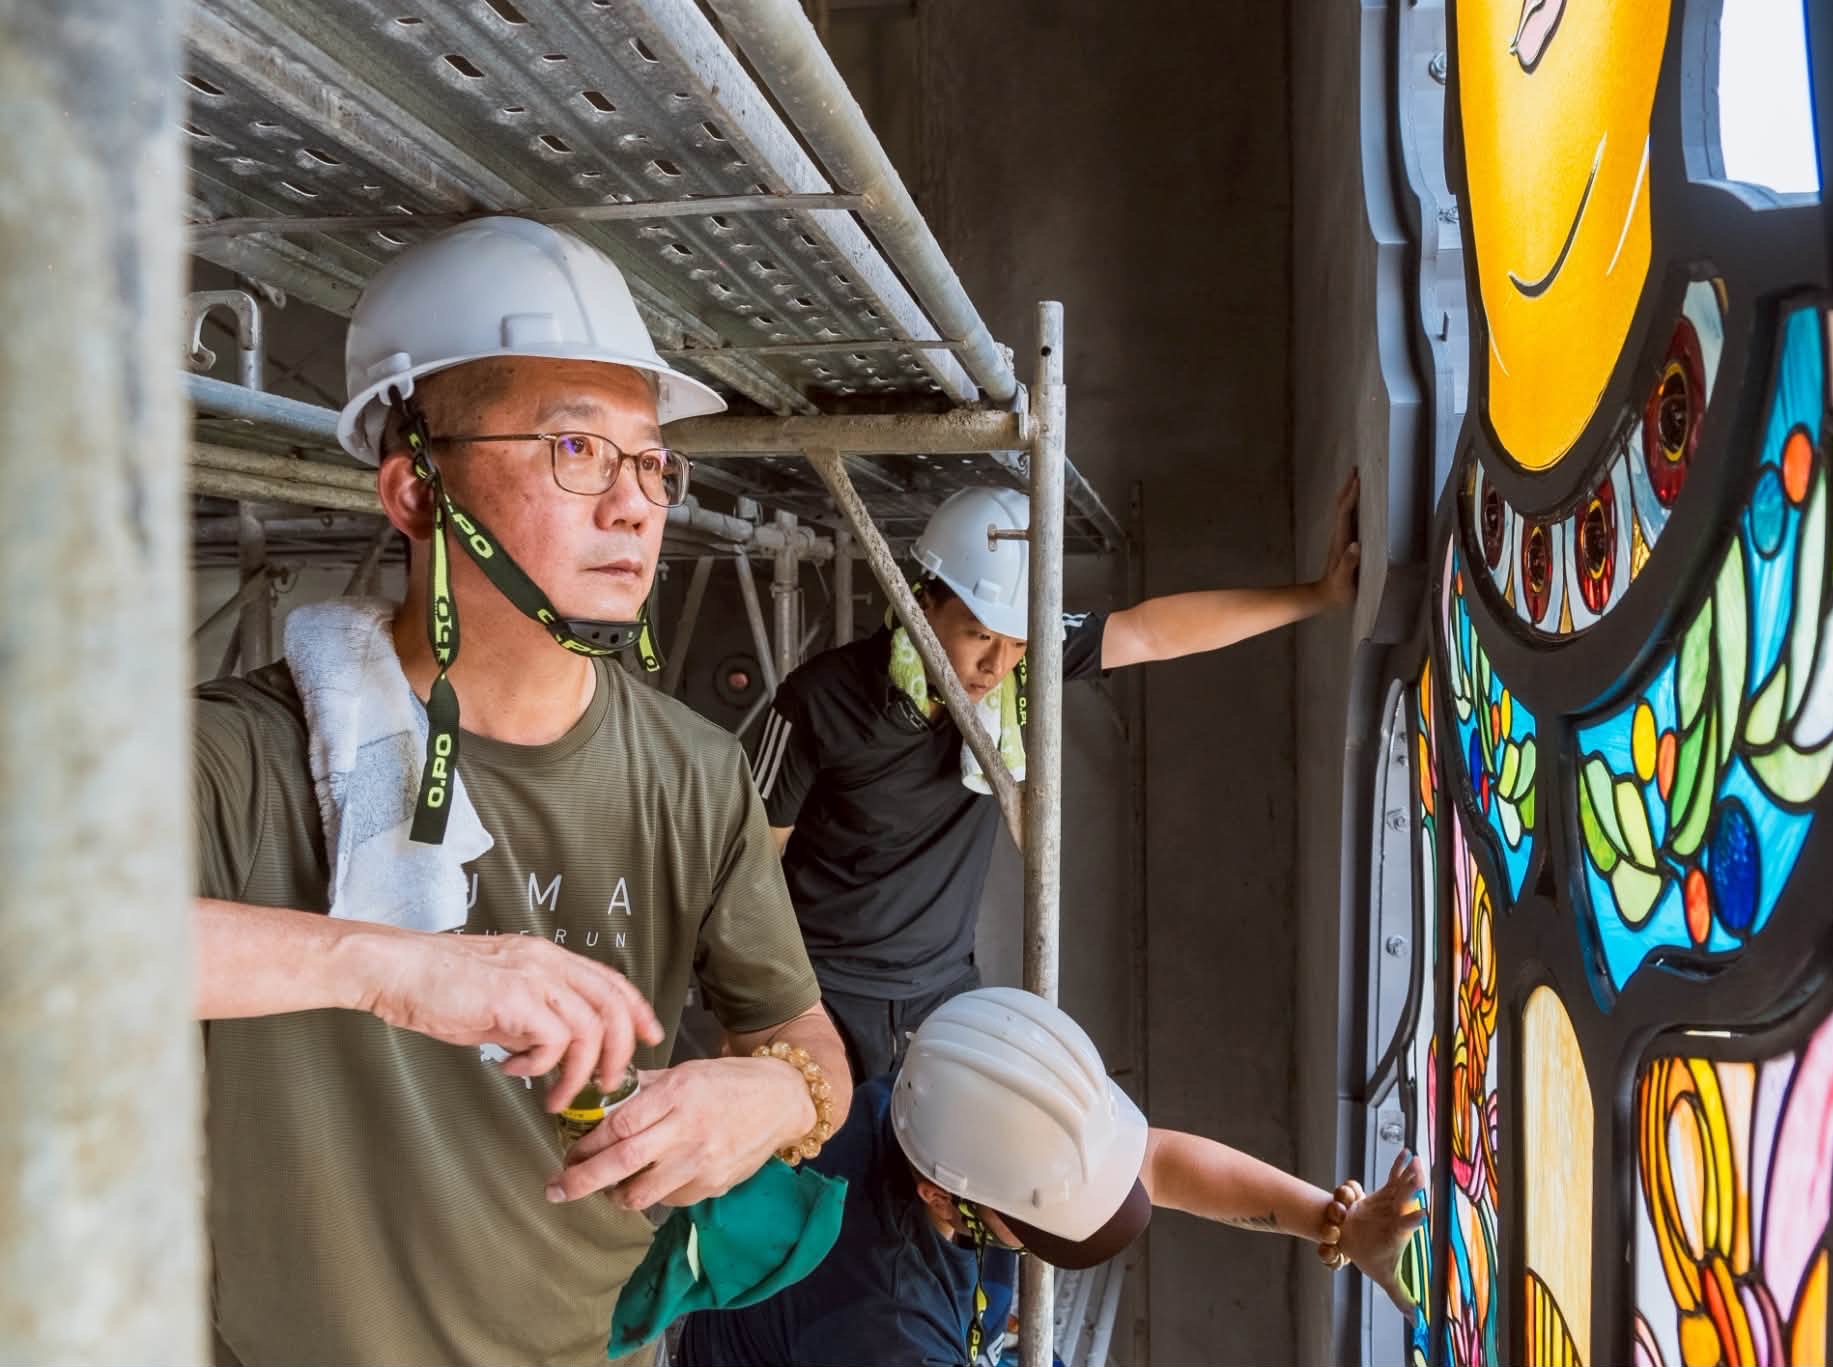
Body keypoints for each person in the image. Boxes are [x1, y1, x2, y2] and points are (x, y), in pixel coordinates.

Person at [191, 216, 852, 1366]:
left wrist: (776, 1100)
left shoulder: (694, 773)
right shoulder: (243, 756)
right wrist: (379, 961)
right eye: (573, 449)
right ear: (414, 491)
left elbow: (805, 1042)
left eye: (650, 461)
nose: (636, 504)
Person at [756, 475, 1363, 1081]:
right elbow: (751, 861)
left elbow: (1152, 631)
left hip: (940, 991)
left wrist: (1320, 595)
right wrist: (767, 1004)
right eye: (978, 635)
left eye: (1018, 643)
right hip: (822, 989)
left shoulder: (1016, 677)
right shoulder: (820, 701)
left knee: (954, 1170)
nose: (997, 666)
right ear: (922, 602)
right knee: (811, 1162)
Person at [671, 987, 1424, 1366]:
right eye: (1034, 1222)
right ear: (942, 1193)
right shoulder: (892, 1320)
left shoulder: (949, 1103)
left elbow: (1158, 1161)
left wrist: (1337, 1222)